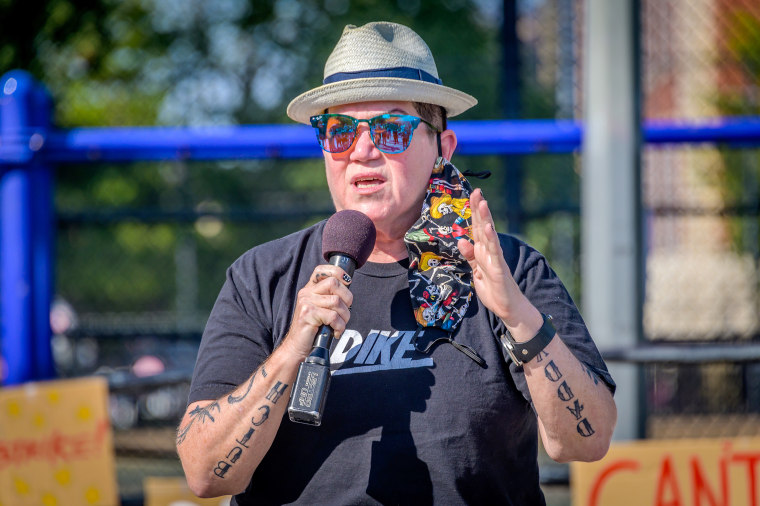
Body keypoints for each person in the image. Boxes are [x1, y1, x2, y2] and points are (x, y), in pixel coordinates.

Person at [177, 21, 617, 505]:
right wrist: (292, 349)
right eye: (339, 131)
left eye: (391, 130)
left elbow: (586, 441)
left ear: (442, 148)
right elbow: (205, 475)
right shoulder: (262, 277)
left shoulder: (509, 267)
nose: (362, 151)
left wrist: (517, 315)